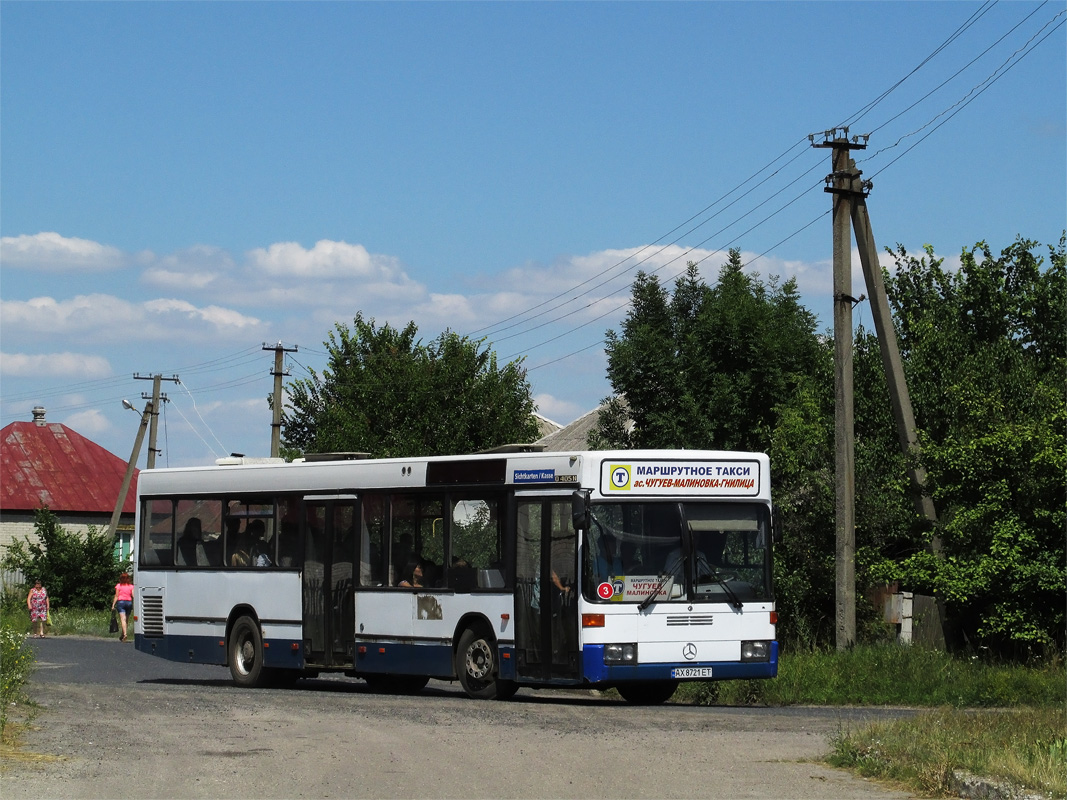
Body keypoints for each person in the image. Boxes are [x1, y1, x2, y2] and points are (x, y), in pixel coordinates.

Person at [111, 572, 134, 642]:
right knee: (126, 619)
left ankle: (125, 634)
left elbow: (116, 596)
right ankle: (122, 635)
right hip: (129, 602)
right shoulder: (131, 586)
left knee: (122, 619)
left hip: (121, 602)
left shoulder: (118, 586)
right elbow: (133, 596)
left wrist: (113, 605)